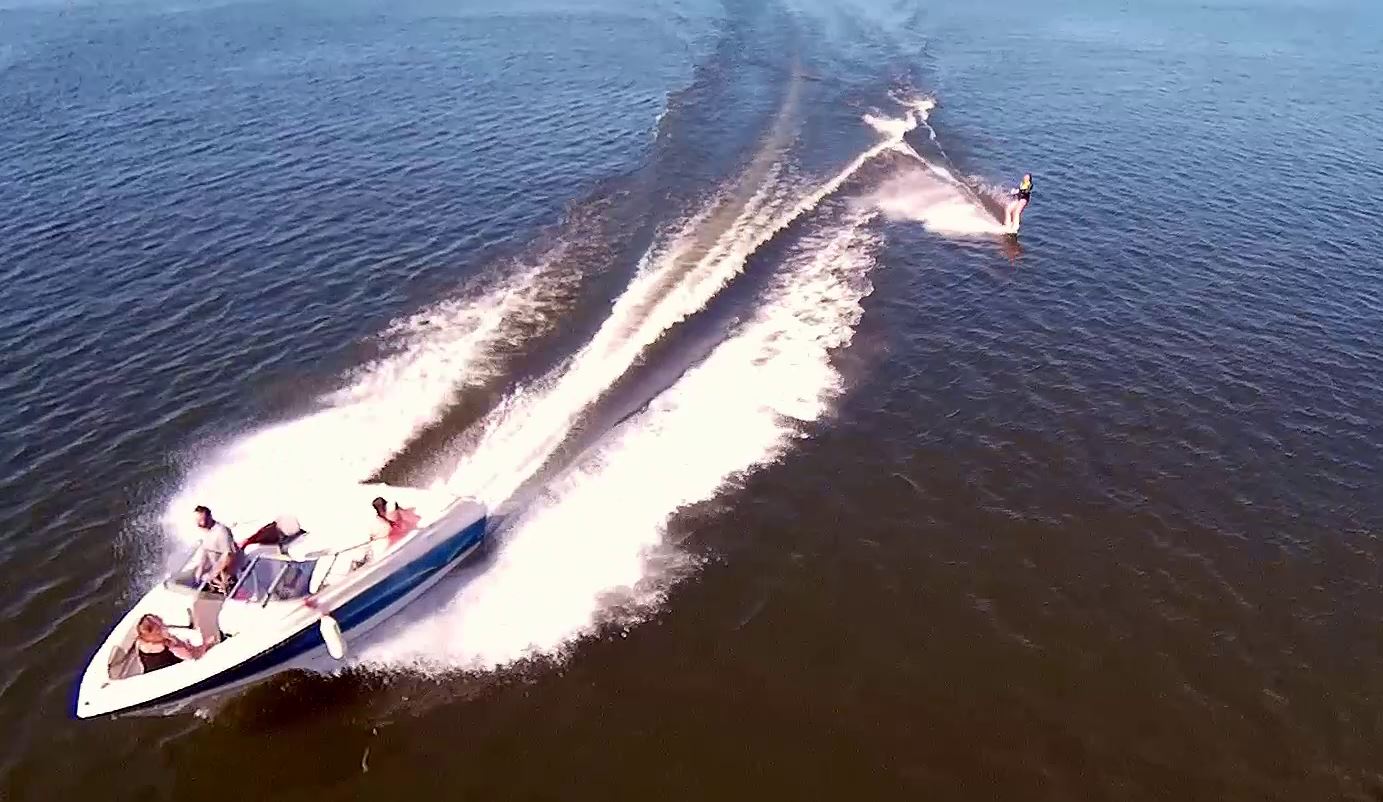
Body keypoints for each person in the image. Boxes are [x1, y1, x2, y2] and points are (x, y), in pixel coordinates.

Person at [134, 613, 206, 673]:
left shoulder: (139, 643)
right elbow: (193, 658)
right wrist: (206, 644)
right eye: (161, 627)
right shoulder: (171, 645)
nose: (164, 627)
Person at [192, 505, 240, 591]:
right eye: (197, 520)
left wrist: (213, 574)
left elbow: (229, 556)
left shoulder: (222, 532)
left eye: (202, 520)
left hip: (224, 580)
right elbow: (206, 552)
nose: (199, 524)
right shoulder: (205, 531)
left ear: (210, 517)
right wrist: (199, 571)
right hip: (213, 578)